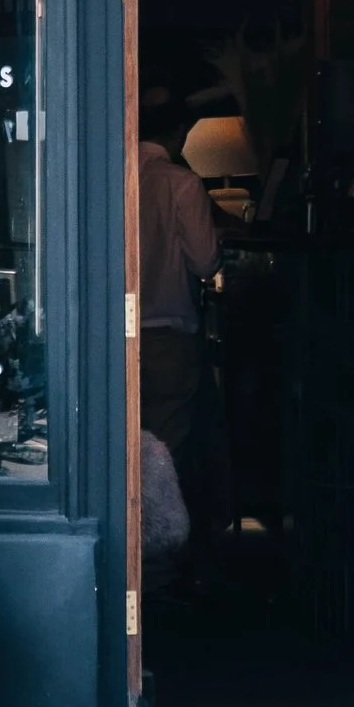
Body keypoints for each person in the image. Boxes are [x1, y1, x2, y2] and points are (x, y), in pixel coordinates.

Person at [137, 87, 227, 574]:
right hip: (170, 334)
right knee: (167, 451)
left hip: (116, 340)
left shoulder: (113, 176)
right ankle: (158, 570)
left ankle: (132, 566)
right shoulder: (181, 183)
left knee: (121, 447)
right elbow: (206, 259)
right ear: (177, 133)